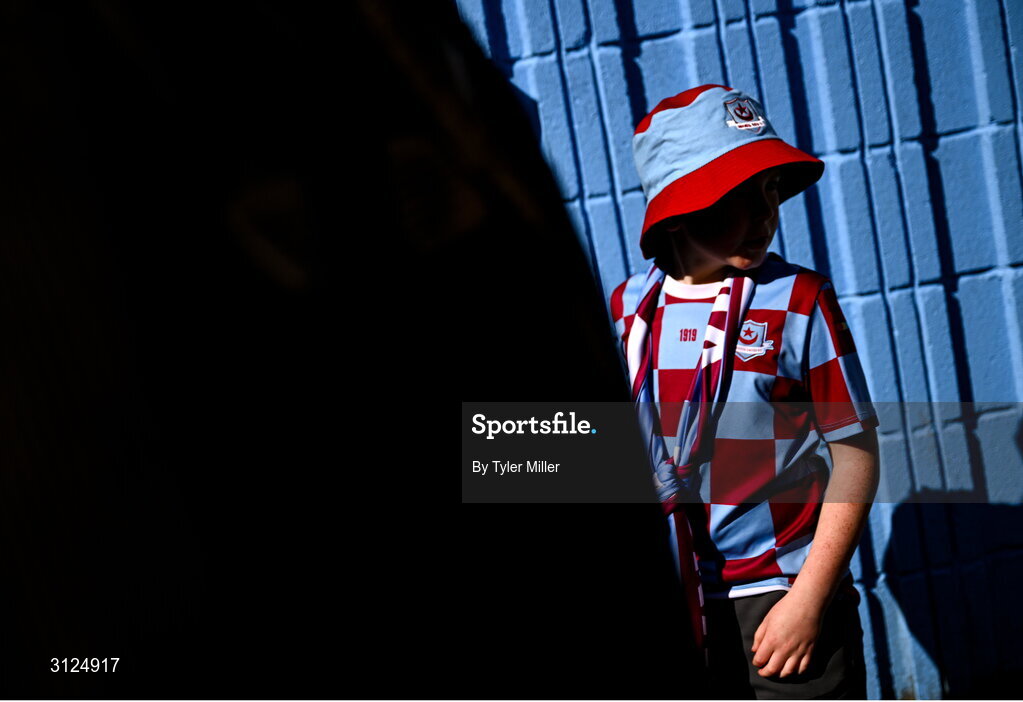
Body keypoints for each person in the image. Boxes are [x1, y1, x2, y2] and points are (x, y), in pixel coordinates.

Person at [610, 84, 881, 699]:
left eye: (770, 191)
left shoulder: (800, 300)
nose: (765, 214)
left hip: (784, 596)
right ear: (676, 206)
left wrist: (809, 600)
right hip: (682, 596)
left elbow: (857, 457)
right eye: (738, 195)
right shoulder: (628, 312)